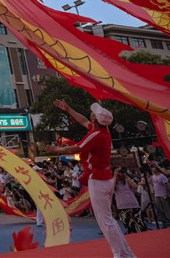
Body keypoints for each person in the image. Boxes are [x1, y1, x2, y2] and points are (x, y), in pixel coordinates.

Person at [47, 100, 136, 258]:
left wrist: (56, 149)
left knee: (106, 221)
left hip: (98, 179)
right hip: (103, 177)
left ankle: (121, 255)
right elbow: (83, 120)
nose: (91, 114)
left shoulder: (96, 135)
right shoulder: (102, 131)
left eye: (94, 113)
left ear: (95, 119)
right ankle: (125, 253)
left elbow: (74, 148)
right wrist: (68, 109)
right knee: (108, 220)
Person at [113, 168, 147, 234]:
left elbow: (135, 186)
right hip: (122, 207)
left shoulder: (127, 180)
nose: (119, 173)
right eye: (117, 171)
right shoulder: (114, 182)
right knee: (129, 226)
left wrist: (126, 176)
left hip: (134, 204)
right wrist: (115, 176)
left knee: (141, 224)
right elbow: (112, 188)